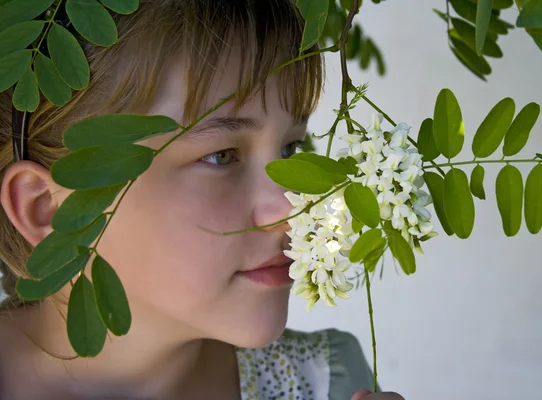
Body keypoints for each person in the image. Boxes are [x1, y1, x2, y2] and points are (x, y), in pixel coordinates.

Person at [0, 1, 405, 399]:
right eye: (220, 156)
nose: (293, 207)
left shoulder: (329, 381)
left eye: (289, 148)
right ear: (48, 209)